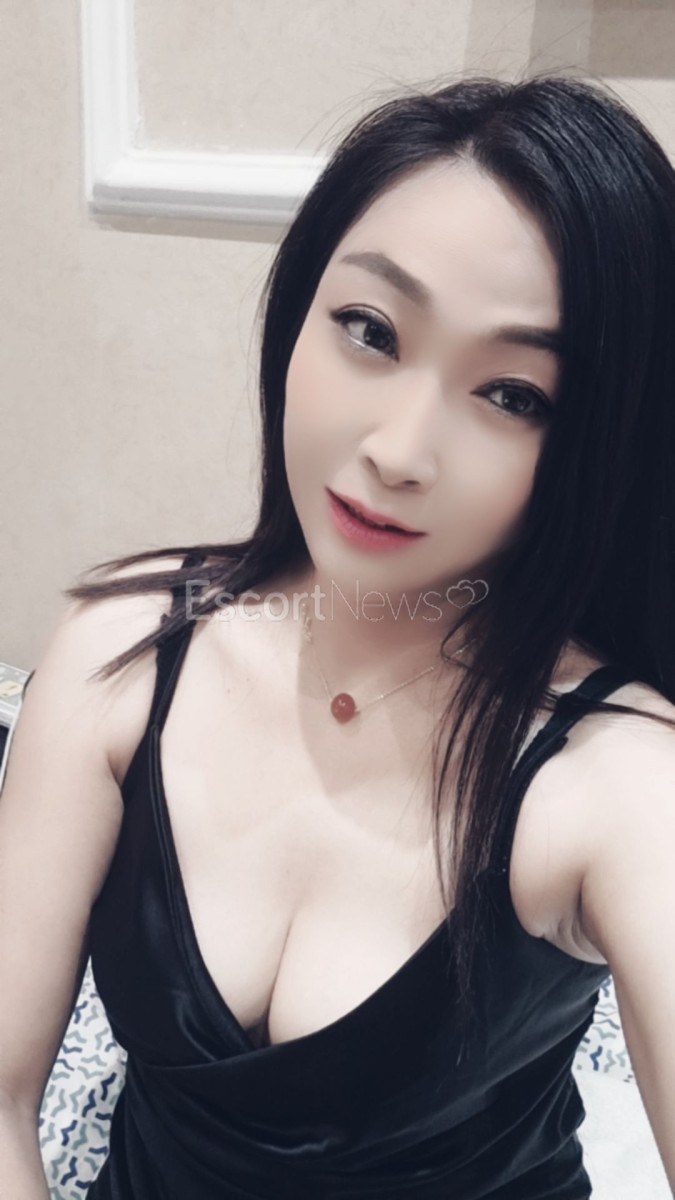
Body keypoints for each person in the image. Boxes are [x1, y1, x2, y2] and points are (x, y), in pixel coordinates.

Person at [1, 71, 674, 1199]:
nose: (398, 449)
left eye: (514, 396)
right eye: (369, 329)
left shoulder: (615, 777)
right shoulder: (123, 653)